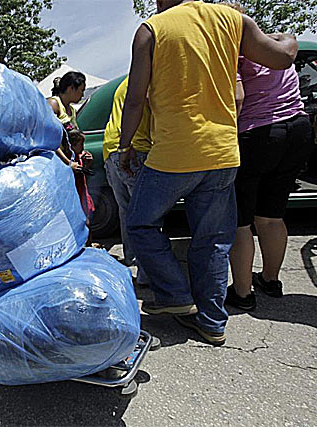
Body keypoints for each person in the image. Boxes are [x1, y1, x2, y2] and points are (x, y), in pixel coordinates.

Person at [118, 0, 298, 346]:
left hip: (173, 153)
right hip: (222, 152)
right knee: (213, 238)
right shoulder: (233, 19)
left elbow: (136, 99)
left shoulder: (151, 30)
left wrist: (126, 147)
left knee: (140, 223)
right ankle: (212, 321)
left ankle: (175, 295)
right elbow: (282, 58)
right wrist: (288, 38)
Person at [226, 42, 314, 310]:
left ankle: (242, 293)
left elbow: (238, 97)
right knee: (272, 215)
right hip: (297, 129)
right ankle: (270, 280)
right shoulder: (278, 48)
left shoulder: (236, 55)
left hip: (256, 134)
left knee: (241, 221)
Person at [102, 77, 152, 286]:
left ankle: (132, 257)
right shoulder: (148, 80)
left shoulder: (124, 83)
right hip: (133, 149)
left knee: (126, 210)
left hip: (110, 149)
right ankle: (147, 273)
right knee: (146, 216)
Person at [47, 72, 87, 172]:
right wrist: (67, 162)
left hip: (69, 161)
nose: (82, 95)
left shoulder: (72, 110)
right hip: (56, 163)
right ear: (71, 88)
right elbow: (49, 140)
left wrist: (82, 154)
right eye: (81, 90)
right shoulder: (54, 104)